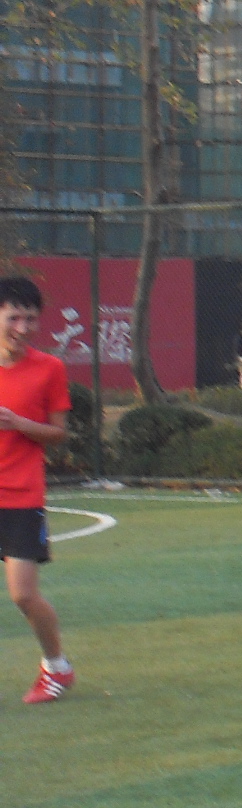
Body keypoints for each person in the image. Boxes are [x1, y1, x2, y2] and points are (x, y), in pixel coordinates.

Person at [1, 278, 76, 705]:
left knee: (24, 594)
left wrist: (18, 424)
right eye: (14, 317)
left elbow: (59, 433)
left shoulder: (49, 368)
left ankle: (57, 667)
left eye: (30, 319)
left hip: (20, 497)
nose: (23, 327)